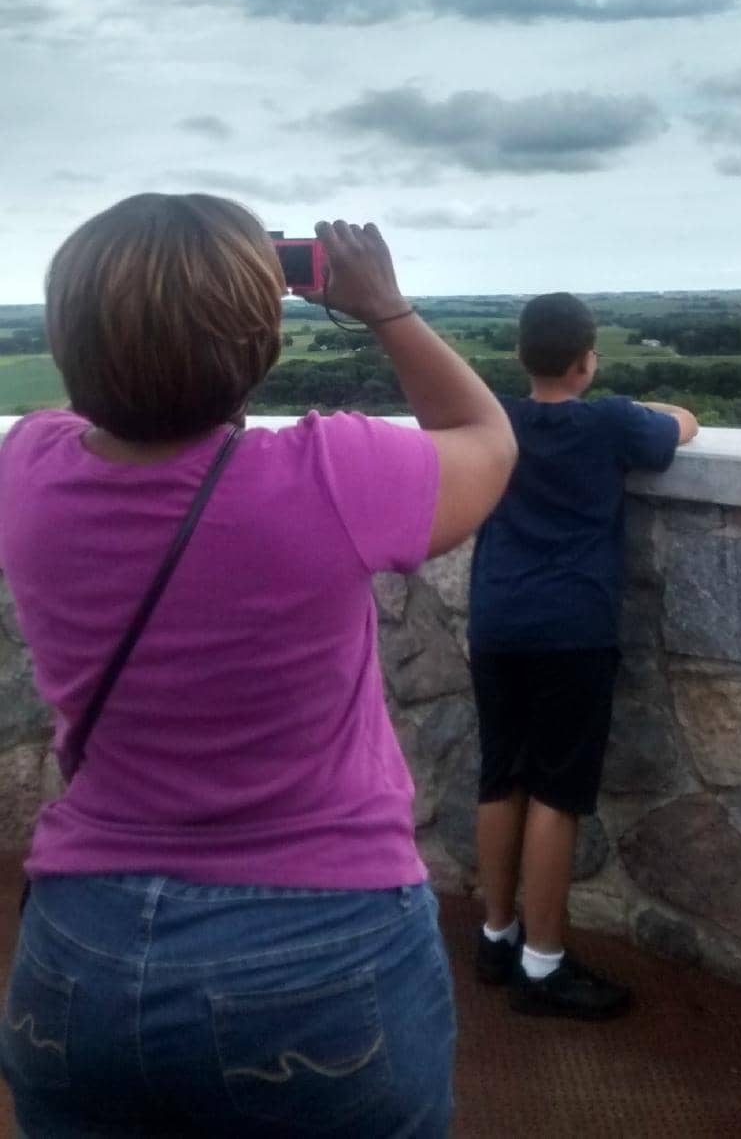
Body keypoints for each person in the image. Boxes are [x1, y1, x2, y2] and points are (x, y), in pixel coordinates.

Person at [0, 194, 517, 1138]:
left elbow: (103, 411)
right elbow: (487, 440)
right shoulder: (331, 472)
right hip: (318, 953)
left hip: (82, 950)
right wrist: (385, 308)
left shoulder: (28, 466)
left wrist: (142, 311)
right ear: (259, 338)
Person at [468, 292, 698, 1018]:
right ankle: (543, 966)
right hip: (571, 628)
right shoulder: (608, 422)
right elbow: (681, 430)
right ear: (586, 360)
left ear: (521, 356)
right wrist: (659, 407)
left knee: (498, 776)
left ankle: (495, 936)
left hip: (498, 621)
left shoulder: (496, 417)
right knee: (557, 795)